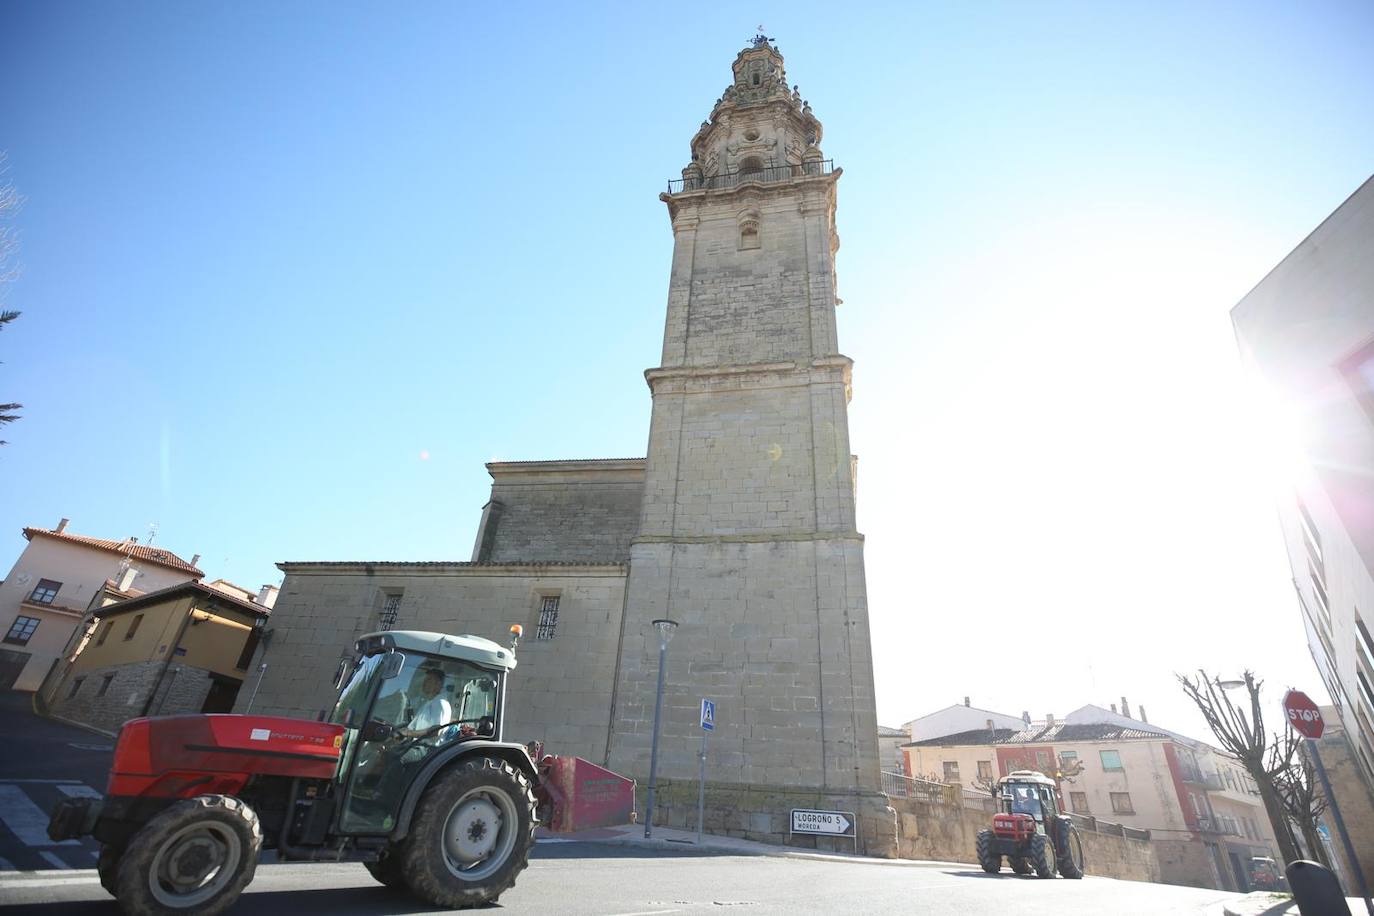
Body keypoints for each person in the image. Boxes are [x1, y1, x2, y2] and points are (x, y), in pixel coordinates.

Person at [399, 667, 452, 738]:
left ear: (438, 684)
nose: (424, 682)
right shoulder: (428, 703)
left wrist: (408, 733)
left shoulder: (441, 703)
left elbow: (437, 730)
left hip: (426, 748)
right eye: (425, 679)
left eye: (429, 680)